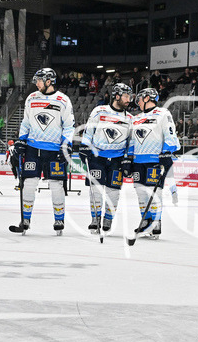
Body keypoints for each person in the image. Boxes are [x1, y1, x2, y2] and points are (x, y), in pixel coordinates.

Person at [14, 68, 74, 235]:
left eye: (39, 80)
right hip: (33, 148)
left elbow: (69, 126)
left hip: (54, 150)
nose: (36, 83)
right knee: (29, 184)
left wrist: (66, 144)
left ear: (49, 81)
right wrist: (21, 140)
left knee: (56, 185)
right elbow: (25, 123)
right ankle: (25, 219)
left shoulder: (63, 100)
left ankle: (59, 219)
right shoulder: (31, 98)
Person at [80, 82, 133, 234]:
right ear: (116, 96)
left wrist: (128, 159)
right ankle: (95, 218)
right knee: (95, 190)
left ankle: (108, 218)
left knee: (114, 192)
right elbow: (89, 131)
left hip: (117, 159)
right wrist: (84, 147)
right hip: (97, 157)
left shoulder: (129, 118)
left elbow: (131, 141)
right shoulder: (100, 111)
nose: (129, 99)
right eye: (126, 96)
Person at [128, 87, 179, 239]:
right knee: (140, 193)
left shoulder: (163, 113)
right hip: (138, 161)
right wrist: (128, 158)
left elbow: (170, 135)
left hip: (154, 160)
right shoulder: (135, 118)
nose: (138, 101)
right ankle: (146, 221)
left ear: (148, 98)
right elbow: (131, 140)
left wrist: (166, 152)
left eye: (141, 98)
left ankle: (156, 222)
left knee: (154, 193)